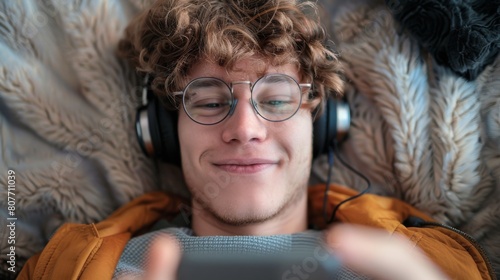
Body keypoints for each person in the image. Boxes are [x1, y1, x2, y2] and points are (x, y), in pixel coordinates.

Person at [18, 0, 493, 279]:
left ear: (323, 123)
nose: (245, 128)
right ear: (161, 131)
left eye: (277, 99)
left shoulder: (412, 267)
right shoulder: (76, 267)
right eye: (207, 101)